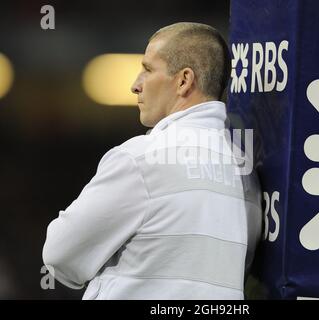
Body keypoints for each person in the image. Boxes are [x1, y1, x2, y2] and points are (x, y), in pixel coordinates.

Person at [42, 22, 262, 300]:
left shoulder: (141, 158)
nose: (135, 85)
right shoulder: (246, 174)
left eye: (147, 69)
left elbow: (60, 254)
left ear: (184, 81)